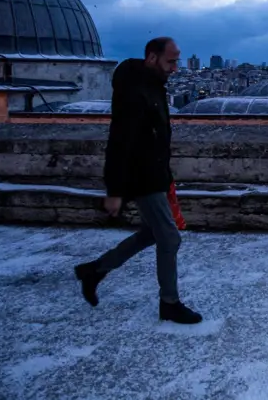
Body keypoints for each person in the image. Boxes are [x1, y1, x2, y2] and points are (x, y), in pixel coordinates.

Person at [74, 37, 202, 324]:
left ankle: (95, 270)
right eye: (171, 61)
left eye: (177, 61)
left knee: (152, 233)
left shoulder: (151, 85)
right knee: (169, 237)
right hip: (143, 178)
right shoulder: (134, 92)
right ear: (152, 58)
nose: (175, 68)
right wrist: (115, 191)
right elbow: (120, 143)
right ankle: (169, 302)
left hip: (156, 175)